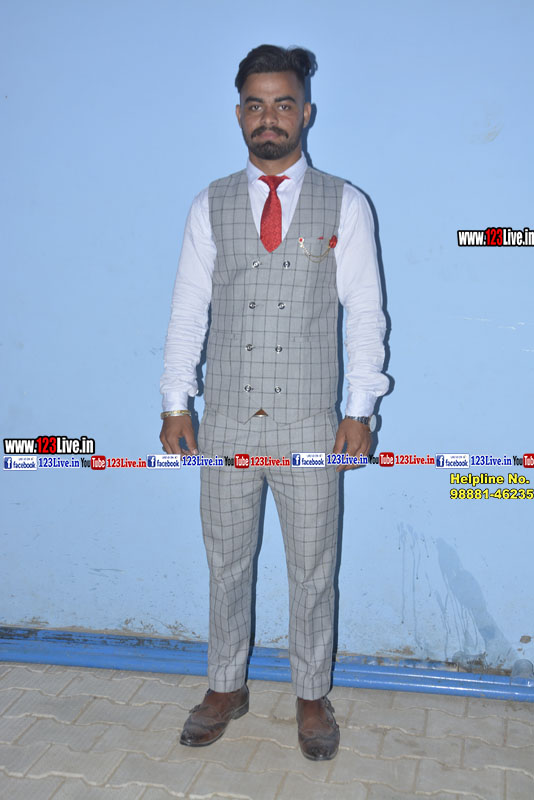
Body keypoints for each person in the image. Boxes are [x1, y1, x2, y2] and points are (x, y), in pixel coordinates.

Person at [160, 44, 389, 761]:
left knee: (314, 568)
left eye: (283, 104)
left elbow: (365, 313)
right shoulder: (210, 203)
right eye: (256, 105)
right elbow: (188, 310)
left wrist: (359, 409)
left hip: (312, 426)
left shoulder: (345, 203)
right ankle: (225, 685)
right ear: (239, 115)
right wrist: (175, 402)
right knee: (226, 562)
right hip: (226, 422)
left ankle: (312, 694)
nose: (269, 118)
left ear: (306, 113)